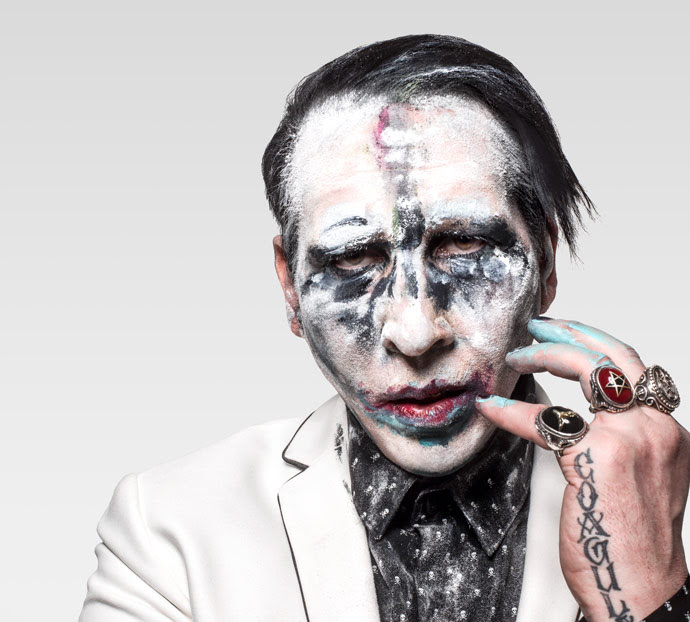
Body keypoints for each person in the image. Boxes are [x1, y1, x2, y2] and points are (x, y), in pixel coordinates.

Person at [79, 34, 690, 622]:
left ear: (546, 262)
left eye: (464, 245)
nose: (417, 333)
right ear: (290, 286)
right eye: (353, 259)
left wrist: (650, 596)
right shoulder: (170, 529)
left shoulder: (657, 513)